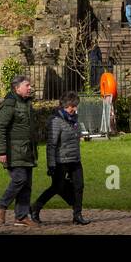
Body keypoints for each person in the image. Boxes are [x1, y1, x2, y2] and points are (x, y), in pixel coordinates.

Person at [30, 92, 89, 226]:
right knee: (57, 187)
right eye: (72, 106)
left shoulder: (74, 119)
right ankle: (35, 208)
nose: (75, 109)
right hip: (60, 161)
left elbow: (76, 136)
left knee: (79, 186)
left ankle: (77, 215)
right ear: (66, 106)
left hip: (75, 159)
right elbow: (51, 144)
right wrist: (51, 165)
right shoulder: (56, 121)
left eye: (75, 106)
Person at [0, 74, 37, 228]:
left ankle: (21, 216)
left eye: (29, 85)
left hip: (27, 151)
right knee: (20, 179)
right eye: (27, 85)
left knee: (27, 185)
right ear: (17, 88)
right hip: (13, 151)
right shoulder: (9, 104)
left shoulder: (26, 103)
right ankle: (1, 205)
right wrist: (2, 152)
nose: (30, 87)